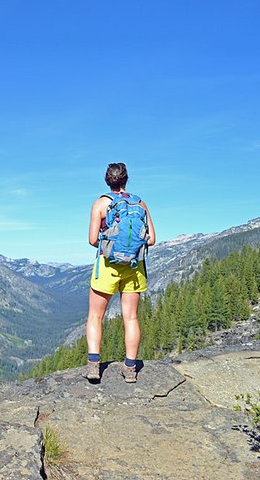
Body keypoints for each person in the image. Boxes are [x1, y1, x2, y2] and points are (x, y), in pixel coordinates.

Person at [83, 162, 155, 383]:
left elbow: (92, 239)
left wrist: (112, 246)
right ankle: (130, 368)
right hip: (134, 268)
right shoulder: (140, 204)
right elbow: (151, 238)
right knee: (131, 317)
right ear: (126, 180)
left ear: (107, 180)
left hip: (108, 266)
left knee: (96, 316)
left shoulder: (101, 204)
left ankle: (94, 366)